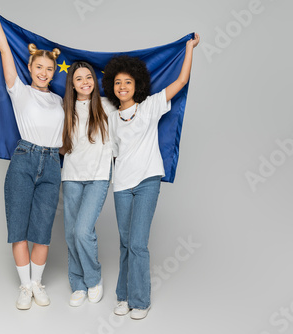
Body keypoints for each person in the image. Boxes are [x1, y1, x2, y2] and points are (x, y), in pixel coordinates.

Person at [102, 33, 200, 320]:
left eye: (128, 82)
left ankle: (140, 300)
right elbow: (114, 152)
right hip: (121, 185)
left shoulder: (149, 107)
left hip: (147, 181)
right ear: (112, 86)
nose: (122, 86)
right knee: (123, 243)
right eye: (118, 82)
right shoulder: (111, 116)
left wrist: (188, 48)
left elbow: (180, 82)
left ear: (137, 85)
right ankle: (123, 296)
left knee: (137, 243)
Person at [0, 5, 64, 310]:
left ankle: (38, 284)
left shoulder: (59, 100)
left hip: (53, 164)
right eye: (39, 67)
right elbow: (4, 52)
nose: (44, 73)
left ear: (54, 73)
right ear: (30, 68)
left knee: (42, 230)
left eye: (49, 69)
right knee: (18, 226)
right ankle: (25, 286)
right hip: (24, 160)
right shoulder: (20, 92)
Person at [60, 61, 115, 307]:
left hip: (98, 176)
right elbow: (60, 144)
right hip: (71, 175)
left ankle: (93, 279)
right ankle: (78, 283)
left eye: (89, 77)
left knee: (83, 230)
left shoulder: (107, 105)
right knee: (72, 234)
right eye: (79, 78)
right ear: (72, 84)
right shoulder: (64, 109)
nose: (85, 82)